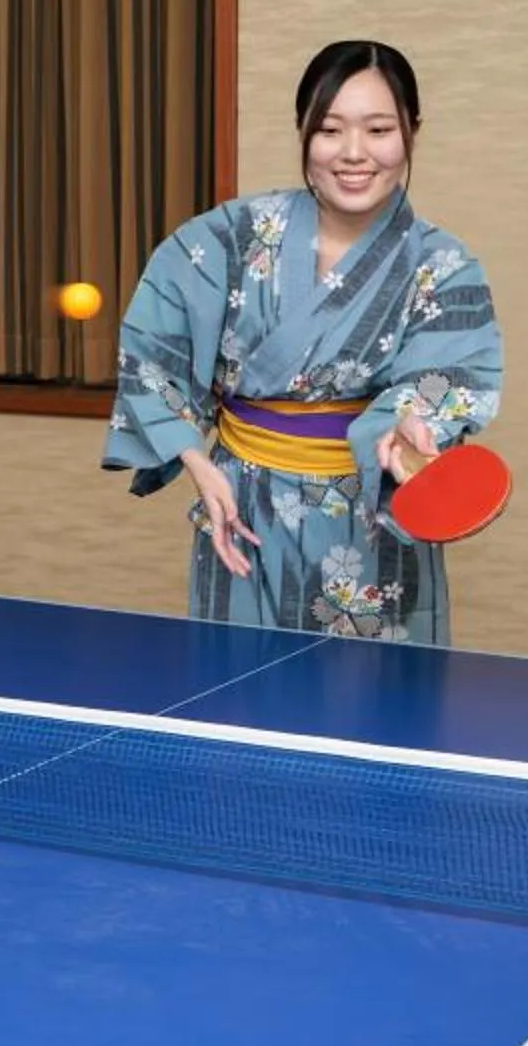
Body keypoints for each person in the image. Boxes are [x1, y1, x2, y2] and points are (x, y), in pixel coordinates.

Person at [101, 39, 503, 644]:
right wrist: (194, 462)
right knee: (233, 708)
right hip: (242, 508)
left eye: (378, 129)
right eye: (330, 130)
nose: (353, 153)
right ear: (303, 133)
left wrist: (409, 432)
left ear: (412, 133)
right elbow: (154, 346)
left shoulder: (443, 266)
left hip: (368, 528)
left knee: (375, 715)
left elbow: (447, 378)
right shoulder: (229, 236)